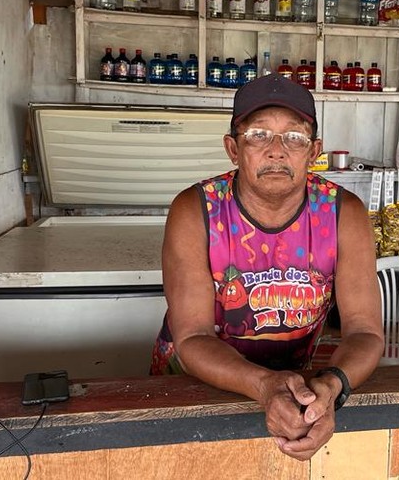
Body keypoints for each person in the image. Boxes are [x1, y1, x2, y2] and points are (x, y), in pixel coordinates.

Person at [151, 73, 384, 461]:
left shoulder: (344, 214)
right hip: (194, 387)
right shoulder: (196, 211)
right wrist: (263, 386)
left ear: (313, 152)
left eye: (294, 137)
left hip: (297, 395)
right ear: (233, 148)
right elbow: (191, 336)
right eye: (258, 134)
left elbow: (366, 331)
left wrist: (331, 388)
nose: (277, 150)